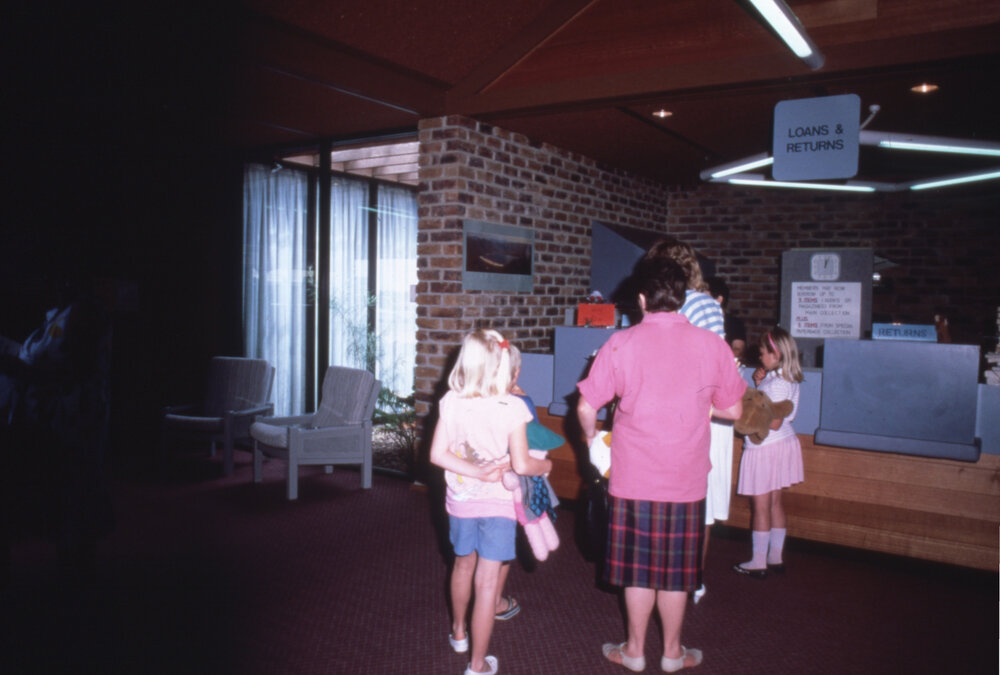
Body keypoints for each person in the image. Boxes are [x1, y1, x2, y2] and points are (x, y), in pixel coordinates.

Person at [577, 257, 745, 673]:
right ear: (684, 297)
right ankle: (672, 653)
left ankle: (634, 651)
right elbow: (735, 410)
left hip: (632, 478)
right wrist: (701, 406)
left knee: (637, 571)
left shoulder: (621, 343)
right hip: (686, 480)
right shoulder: (712, 345)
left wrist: (589, 438)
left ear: (641, 299)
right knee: (676, 571)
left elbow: (585, 407)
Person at [429, 329, 553, 675]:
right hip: (498, 505)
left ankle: (458, 633)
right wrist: (547, 465)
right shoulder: (512, 407)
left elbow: (437, 454)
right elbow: (525, 464)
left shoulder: (452, 400)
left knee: (461, 565)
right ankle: (478, 664)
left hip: (461, 502)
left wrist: (474, 471)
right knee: (487, 583)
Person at [645, 239, 737, 604]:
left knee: (701, 505)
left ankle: (692, 580)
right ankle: (673, 578)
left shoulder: (699, 304)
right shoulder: (668, 307)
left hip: (705, 417)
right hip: (675, 417)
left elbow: (715, 368)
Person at [733, 327, 805, 578]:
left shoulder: (777, 383)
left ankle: (758, 561)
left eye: (763, 353)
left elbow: (770, 421)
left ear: (775, 354)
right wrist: (760, 385)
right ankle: (775, 557)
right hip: (784, 444)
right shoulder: (788, 378)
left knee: (761, 506)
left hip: (766, 448)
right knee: (775, 503)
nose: (760, 357)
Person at [705, 276, 747, 365]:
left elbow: (738, 350)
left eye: (705, 297)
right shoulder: (700, 321)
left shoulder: (734, 323)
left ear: (719, 299)